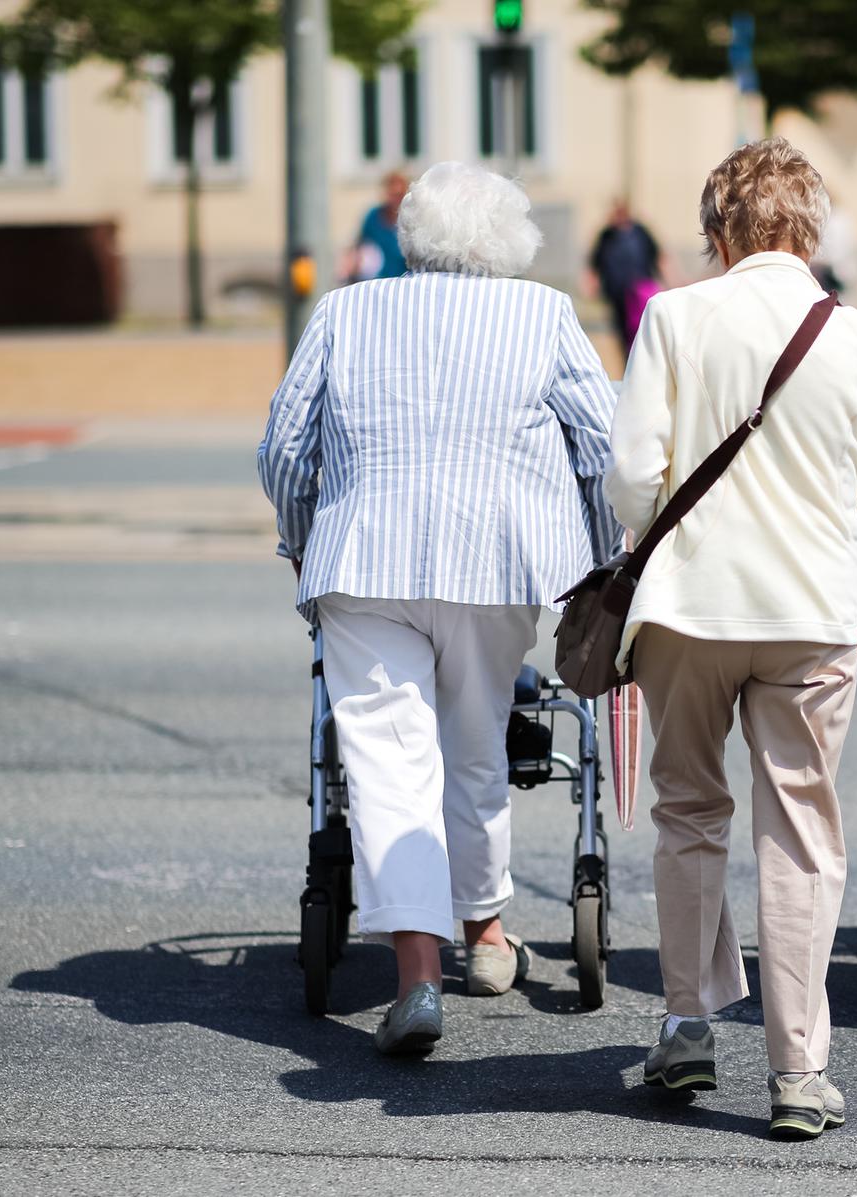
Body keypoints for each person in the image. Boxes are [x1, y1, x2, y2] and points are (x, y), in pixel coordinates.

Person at [260, 161, 620, 1056]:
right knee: (476, 740)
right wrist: (603, 557)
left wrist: (306, 534)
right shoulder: (542, 315)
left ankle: (417, 977)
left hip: (364, 558)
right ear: (508, 242)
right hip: (498, 559)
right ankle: (488, 938)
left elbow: (283, 445)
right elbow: (605, 446)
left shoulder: (344, 311)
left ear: (410, 235)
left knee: (387, 764)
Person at [607, 138, 857, 1139]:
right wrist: (853, 591)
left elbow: (630, 473)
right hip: (810, 616)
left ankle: (688, 1023)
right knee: (800, 836)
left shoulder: (675, 318)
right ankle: (796, 1069)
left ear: (718, 227)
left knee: (688, 814)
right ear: (812, 227)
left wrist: (650, 549)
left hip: (689, 609)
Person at [585, 200, 664, 357]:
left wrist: (670, 281)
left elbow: (658, 257)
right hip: (617, 295)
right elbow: (595, 263)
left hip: (640, 295)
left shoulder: (640, 232)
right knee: (623, 334)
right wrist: (591, 285)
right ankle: (629, 362)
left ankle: (642, 360)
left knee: (641, 331)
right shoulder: (607, 236)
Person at [341, 170, 410, 282]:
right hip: (374, 284)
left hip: (401, 284)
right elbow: (359, 247)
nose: (395, 200)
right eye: (392, 194)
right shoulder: (373, 217)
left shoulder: (410, 221)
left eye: (399, 195)